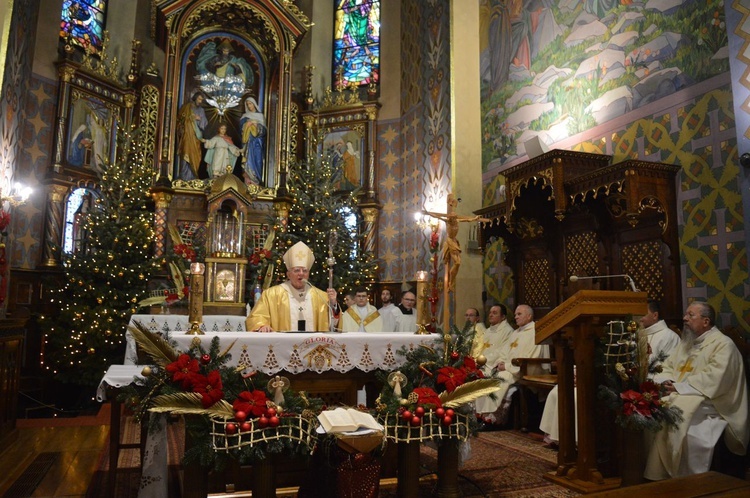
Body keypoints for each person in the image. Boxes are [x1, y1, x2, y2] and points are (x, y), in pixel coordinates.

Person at [540, 299, 682, 446]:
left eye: (643, 314)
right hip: (622, 377)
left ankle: (581, 443)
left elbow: (663, 367)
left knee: (580, 396)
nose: (638, 318)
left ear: (655, 315)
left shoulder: (668, 336)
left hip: (640, 383)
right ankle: (561, 439)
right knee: (559, 391)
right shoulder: (633, 332)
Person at [644, 302, 749, 480]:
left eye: (690, 315)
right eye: (686, 314)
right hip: (686, 394)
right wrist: (668, 381)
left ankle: (688, 478)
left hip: (716, 402)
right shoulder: (687, 343)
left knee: (676, 410)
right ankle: (659, 474)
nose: (684, 318)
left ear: (706, 321)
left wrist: (678, 386)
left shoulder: (723, 345)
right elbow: (666, 366)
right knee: (659, 406)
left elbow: (716, 378)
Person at [475, 304, 548, 425]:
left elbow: (531, 357)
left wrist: (507, 366)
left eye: (519, 314)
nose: (516, 317)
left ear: (529, 316)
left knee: (501, 378)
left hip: (524, 369)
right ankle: (482, 414)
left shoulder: (536, 331)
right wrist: (500, 363)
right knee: (488, 376)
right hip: (511, 368)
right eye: (515, 315)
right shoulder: (516, 332)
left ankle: (494, 418)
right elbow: (504, 352)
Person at [246, 241, 339, 332]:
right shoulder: (271, 295)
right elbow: (257, 316)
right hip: (283, 346)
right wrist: (262, 325)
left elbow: (333, 325)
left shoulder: (320, 296)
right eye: (297, 270)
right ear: (288, 274)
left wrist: (333, 304)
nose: (301, 274)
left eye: (305, 271)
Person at [423, 194, 489, 291]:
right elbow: (437, 216)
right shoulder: (447, 221)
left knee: (458, 263)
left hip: (455, 241)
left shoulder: (457, 220)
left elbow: (467, 219)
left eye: (454, 217)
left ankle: (451, 282)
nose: (454, 219)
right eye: (452, 218)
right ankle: (451, 283)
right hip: (450, 241)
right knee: (457, 262)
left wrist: (476, 219)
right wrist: (428, 213)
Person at [176, 92, 208, 180]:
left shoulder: (201, 110)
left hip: (196, 136)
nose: (200, 101)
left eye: (202, 100)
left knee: (196, 156)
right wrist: (191, 117)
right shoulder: (186, 107)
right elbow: (180, 119)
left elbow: (204, 124)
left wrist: (199, 119)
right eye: (199, 99)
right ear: (195, 98)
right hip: (187, 135)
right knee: (186, 153)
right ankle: (184, 176)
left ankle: (193, 176)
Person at [240, 96, 266, 185]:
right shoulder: (245, 117)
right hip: (248, 143)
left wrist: (256, 125)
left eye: (250, 104)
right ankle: (249, 180)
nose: (249, 106)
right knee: (248, 161)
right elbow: (241, 130)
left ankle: (257, 180)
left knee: (258, 160)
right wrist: (247, 124)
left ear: (254, 104)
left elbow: (265, 131)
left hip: (258, 142)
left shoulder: (261, 116)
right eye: (247, 104)